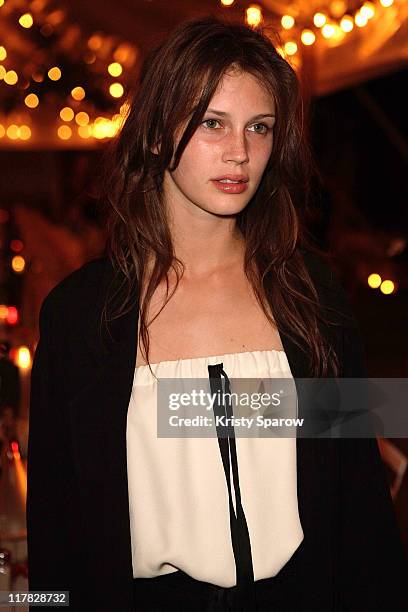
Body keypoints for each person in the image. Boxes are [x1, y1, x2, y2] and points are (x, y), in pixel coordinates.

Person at [26, 15, 407, 612]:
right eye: (212, 123)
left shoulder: (313, 293)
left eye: (260, 127)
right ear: (156, 134)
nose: (240, 152)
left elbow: (359, 502)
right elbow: (56, 531)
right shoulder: (80, 315)